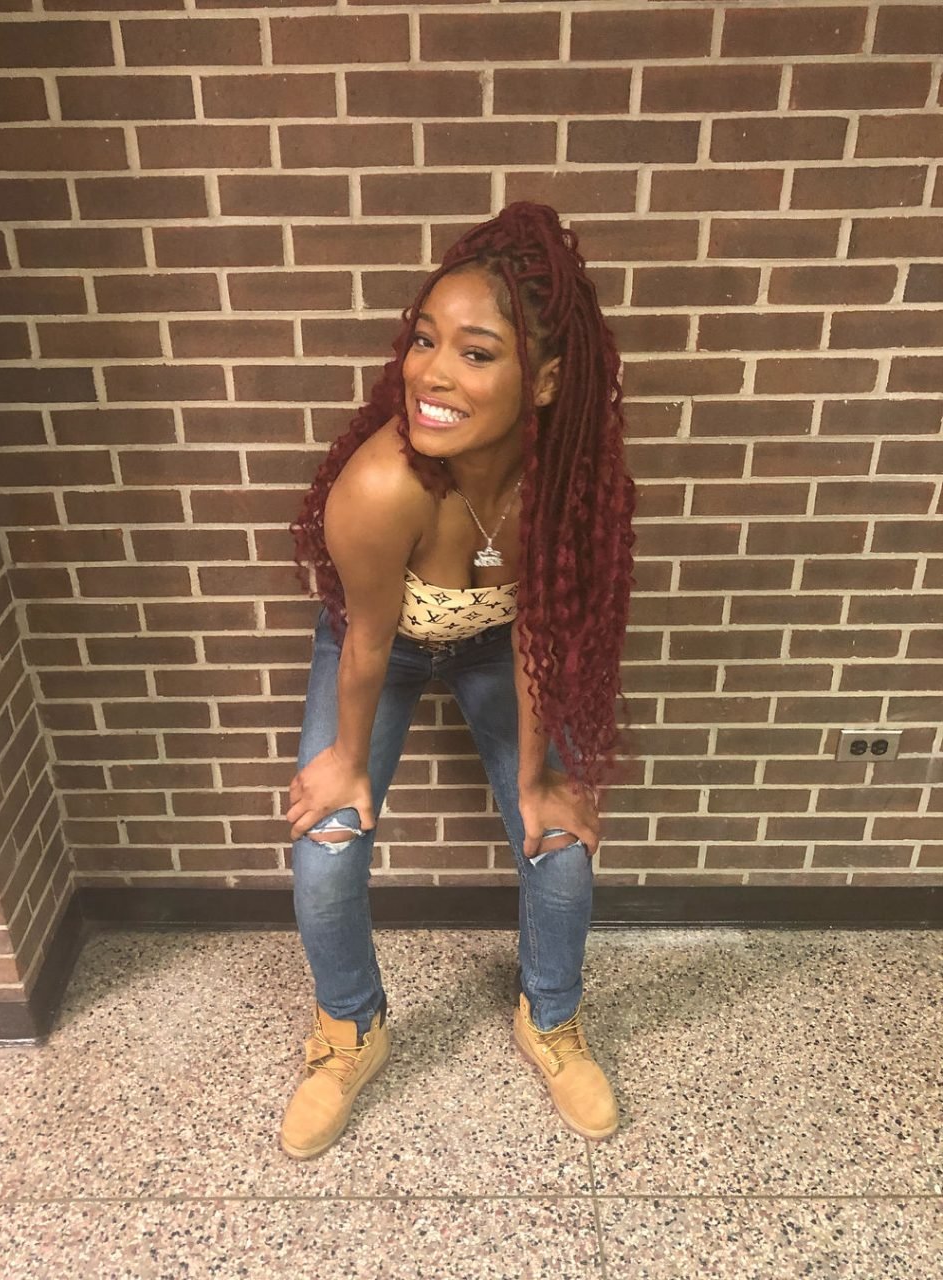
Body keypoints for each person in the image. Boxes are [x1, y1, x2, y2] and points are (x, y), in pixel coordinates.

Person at [283, 202, 635, 1160]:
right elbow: (364, 642)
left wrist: (537, 778)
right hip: (383, 647)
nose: (431, 373)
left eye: (475, 354)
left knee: (558, 842)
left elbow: (539, 633)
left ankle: (550, 1017)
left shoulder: (559, 489)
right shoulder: (380, 487)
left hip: (500, 641)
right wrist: (346, 762)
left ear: (544, 381)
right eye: (424, 339)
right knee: (325, 847)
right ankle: (351, 1027)